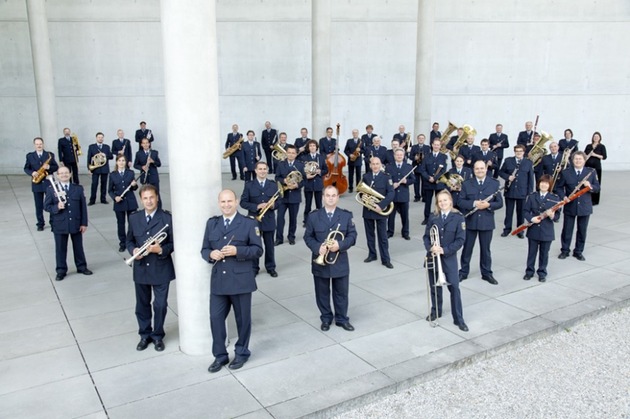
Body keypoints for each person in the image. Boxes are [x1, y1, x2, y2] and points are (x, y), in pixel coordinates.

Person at [202, 189, 263, 373]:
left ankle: (242, 352)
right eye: (223, 202)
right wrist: (210, 254)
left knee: (243, 320)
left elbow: (257, 250)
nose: (226, 205)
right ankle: (220, 356)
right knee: (215, 318)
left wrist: (238, 251)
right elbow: (204, 249)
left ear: (236, 202)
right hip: (219, 280)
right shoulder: (212, 224)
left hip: (241, 280)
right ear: (219, 203)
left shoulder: (248, 223)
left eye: (229, 201)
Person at [126, 184, 175, 352]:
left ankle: (158, 335)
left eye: (151, 197)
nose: (149, 201)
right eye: (145, 198)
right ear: (141, 199)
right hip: (141, 268)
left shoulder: (167, 218)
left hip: (161, 267)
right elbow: (129, 240)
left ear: (157, 198)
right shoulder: (134, 218)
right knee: (142, 304)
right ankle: (144, 334)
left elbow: (174, 244)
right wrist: (133, 250)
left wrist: (161, 249)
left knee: (160, 305)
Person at [304, 186, 358, 331]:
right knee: (322, 292)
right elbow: (307, 237)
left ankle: (341, 319)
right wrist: (317, 248)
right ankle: (326, 318)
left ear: (338, 197)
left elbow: (352, 237)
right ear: (323, 197)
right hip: (320, 262)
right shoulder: (313, 216)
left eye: (334, 195)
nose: (330, 198)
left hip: (339, 261)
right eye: (328, 195)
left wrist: (339, 245)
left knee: (341, 292)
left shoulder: (346, 215)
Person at [423, 190, 468, 331]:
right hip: (433, 257)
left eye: (445, 200)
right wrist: (431, 247)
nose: (442, 203)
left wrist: (444, 250)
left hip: (449, 259)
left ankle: (458, 318)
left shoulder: (458, 218)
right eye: (440, 201)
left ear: (450, 201)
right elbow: (426, 237)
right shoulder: (433, 217)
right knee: (434, 287)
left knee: (454, 288)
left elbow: (460, 240)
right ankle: (436, 311)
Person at [457, 160, 503, 284]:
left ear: (486, 169)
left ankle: (486, 273)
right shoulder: (467, 184)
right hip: (471, 221)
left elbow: (500, 203)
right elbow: (460, 202)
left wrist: (489, 205)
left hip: (487, 222)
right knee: (467, 248)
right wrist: (474, 203)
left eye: (482, 168)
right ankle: (463, 272)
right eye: (477, 169)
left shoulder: (494, 183)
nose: (479, 171)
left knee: (486, 250)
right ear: (473, 170)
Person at [44, 166, 93, 281]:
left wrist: (84, 223)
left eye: (66, 173)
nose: (64, 175)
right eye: (61, 173)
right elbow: (46, 206)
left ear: (70, 175)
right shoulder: (51, 189)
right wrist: (57, 207)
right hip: (59, 224)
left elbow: (83, 207)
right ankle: (61, 270)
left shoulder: (78, 188)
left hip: (75, 223)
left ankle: (81, 267)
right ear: (57, 176)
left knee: (78, 247)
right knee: (60, 248)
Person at [556, 151, 600, 261]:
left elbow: (597, 188)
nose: (578, 161)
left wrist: (590, 186)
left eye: (580, 159)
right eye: (576, 159)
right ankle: (565, 250)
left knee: (582, 230)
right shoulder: (566, 172)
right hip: (570, 205)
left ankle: (578, 251)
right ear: (572, 160)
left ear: (584, 160)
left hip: (585, 207)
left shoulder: (591, 172)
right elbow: (559, 187)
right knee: (567, 229)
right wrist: (563, 197)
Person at [240, 162, 278, 277]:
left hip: (269, 220)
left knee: (270, 246)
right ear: (256, 171)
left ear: (267, 171)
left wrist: (272, 206)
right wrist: (256, 206)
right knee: (254, 246)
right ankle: (254, 267)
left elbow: (280, 201)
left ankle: (270, 267)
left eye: (264, 169)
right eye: (260, 169)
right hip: (254, 221)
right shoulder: (249, 185)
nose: (262, 171)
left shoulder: (273, 185)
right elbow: (243, 202)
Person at [522, 175, 561, 282]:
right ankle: (529, 272)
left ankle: (542, 272)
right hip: (534, 229)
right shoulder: (532, 196)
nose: (544, 185)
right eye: (542, 183)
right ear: (538, 184)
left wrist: (552, 215)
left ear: (550, 185)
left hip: (546, 231)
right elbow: (525, 211)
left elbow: (557, 216)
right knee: (531, 253)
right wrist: (531, 218)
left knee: (544, 254)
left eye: (546, 183)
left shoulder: (555, 198)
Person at [361, 157, 395, 269]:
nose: (375, 166)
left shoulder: (386, 177)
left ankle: (386, 259)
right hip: (368, 211)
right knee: (370, 235)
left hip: (381, 211)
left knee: (383, 237)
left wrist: (381, 205)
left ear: (381, 165)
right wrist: (368, 202)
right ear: (370, 165)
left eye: (377, 164)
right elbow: (361, 193)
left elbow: (391, 193)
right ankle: (372, 254)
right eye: (373, 164)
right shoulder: (366, 177)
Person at [499, 144, 535, 238]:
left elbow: (531, 178)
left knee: (521, 212)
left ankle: (520, 230)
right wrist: (508, 177)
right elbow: (501, 172)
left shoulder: (528, 162)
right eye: (517, 151)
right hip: (510, 190)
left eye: (520, 151)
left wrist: (530, 192)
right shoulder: (508, 160)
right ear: (514, 152)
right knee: (509, 212)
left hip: (522, 191)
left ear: (524, 152)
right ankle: (507, 229)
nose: (518, 153)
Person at [24, 137, 58, 231]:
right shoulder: (30, 156)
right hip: (37, 183)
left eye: (40, 144)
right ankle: (40, 224)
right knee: (38, 205)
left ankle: (53, 223)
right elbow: (26, 168)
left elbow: (56, 167)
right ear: (34, 145)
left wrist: (49, 166)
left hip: (48, 183)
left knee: (51, 203)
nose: (39, 145)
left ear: (43, 144)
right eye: (37, 144)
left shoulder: (49, 155)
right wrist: (32, 173)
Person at [274, 145, 305, 245]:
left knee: (293, 218)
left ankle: (291, 237)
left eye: (293, 153)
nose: (291, 155)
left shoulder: (300, 165)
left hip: (295, 196)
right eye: (289, 152)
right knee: (279, 218)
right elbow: (276, 177)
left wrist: (297, 185)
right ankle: (279, 238)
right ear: (286, 153)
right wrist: (284, 180)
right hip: (282, 196)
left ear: (296, 154)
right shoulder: (281, 164)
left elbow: (304, 180)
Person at [108, 155, 139, 252]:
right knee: (120, 224)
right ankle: (123, 243)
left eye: (123, 161)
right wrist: (115, 197)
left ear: (125, 162)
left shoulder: (130, 173)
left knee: (132, 223)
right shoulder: (112, 175)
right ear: (116, 162)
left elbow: (134, 188)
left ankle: (132, 241)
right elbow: (110, 190)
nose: (121, 162)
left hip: (130, 201)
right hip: (119, 203)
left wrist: (134, 185)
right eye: (119, 161)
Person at [386, 148, 414, 240]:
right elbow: (386, 179)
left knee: (405, 216)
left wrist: (406, 181)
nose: (399, 156)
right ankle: (390, 231)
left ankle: (405, 232)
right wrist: (391, 184)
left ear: (403, 156)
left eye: (401, 155)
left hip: (403, 195)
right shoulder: (389, 167)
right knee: (391, 215)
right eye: (397, 155)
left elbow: (413, 179)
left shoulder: (408, 167)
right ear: (394, 156)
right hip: (393, 195)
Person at [419, 138, 448, 225]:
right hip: (428, 183)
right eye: (435, 144)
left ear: (440, 146)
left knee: (440, 201)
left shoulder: (444, 157)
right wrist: (429, 178)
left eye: (438, 145)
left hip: (439, 183)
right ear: (432, 145)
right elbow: (422, 169)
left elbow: (444, 171)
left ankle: (439, 217)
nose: (436, 146)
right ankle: (426, 218)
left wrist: (435, 178)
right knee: (427, 202)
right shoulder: (427, 156)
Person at [301, 139, 328, 225]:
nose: (312, 147)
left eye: (314, 146)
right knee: (308, 204)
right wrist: (306, 175)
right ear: (308, 148)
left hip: (318, 183)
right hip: (308, 184)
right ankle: (306, 221)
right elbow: (302, 170)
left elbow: (326, 170)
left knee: (319, 204)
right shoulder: (305, 158)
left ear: (316, 147)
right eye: (310, 146)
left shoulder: (321, 157)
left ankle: (319, 220)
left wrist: (320, 172)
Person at [86, 132, 113, 205]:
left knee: (104, 185)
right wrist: (89, 168)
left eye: (102, 137)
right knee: (94, 184)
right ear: (96, 138)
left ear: (103, 138)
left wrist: (105, 155)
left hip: (104, 169)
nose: (100, 138)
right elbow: (89, 158)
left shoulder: (106, 147)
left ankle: (103, 199)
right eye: (99, 137)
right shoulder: (92, 146)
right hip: (95, 168)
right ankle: (92, 200)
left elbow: (111, 157)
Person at [584, 131, 607, 205]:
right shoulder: (588, 146)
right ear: (593, 138)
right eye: (594, 137)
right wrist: (587, 156)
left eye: (597, 137)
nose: (596, 138)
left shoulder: (602, 146)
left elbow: (604, 157)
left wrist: (594, 154)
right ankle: (587, 199)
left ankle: (595, 200)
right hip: (587, 167)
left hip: (597, 168)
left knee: (596, 183)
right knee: (587, 183)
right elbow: (584, 156)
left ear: (600, 138)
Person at [410, 133, 430, 202]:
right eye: (419, 138)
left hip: (424, 168)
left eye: (422, 138)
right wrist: (414, 158)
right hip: (416, 167)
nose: (421, 139)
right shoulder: (414, 147)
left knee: (424, 183)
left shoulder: (427, 147)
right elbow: (410, 156)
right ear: (417, 139)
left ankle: (424, 197)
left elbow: (429, 157)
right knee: (416, 183)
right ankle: (417, 196)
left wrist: (425, 158)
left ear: (424, 139)